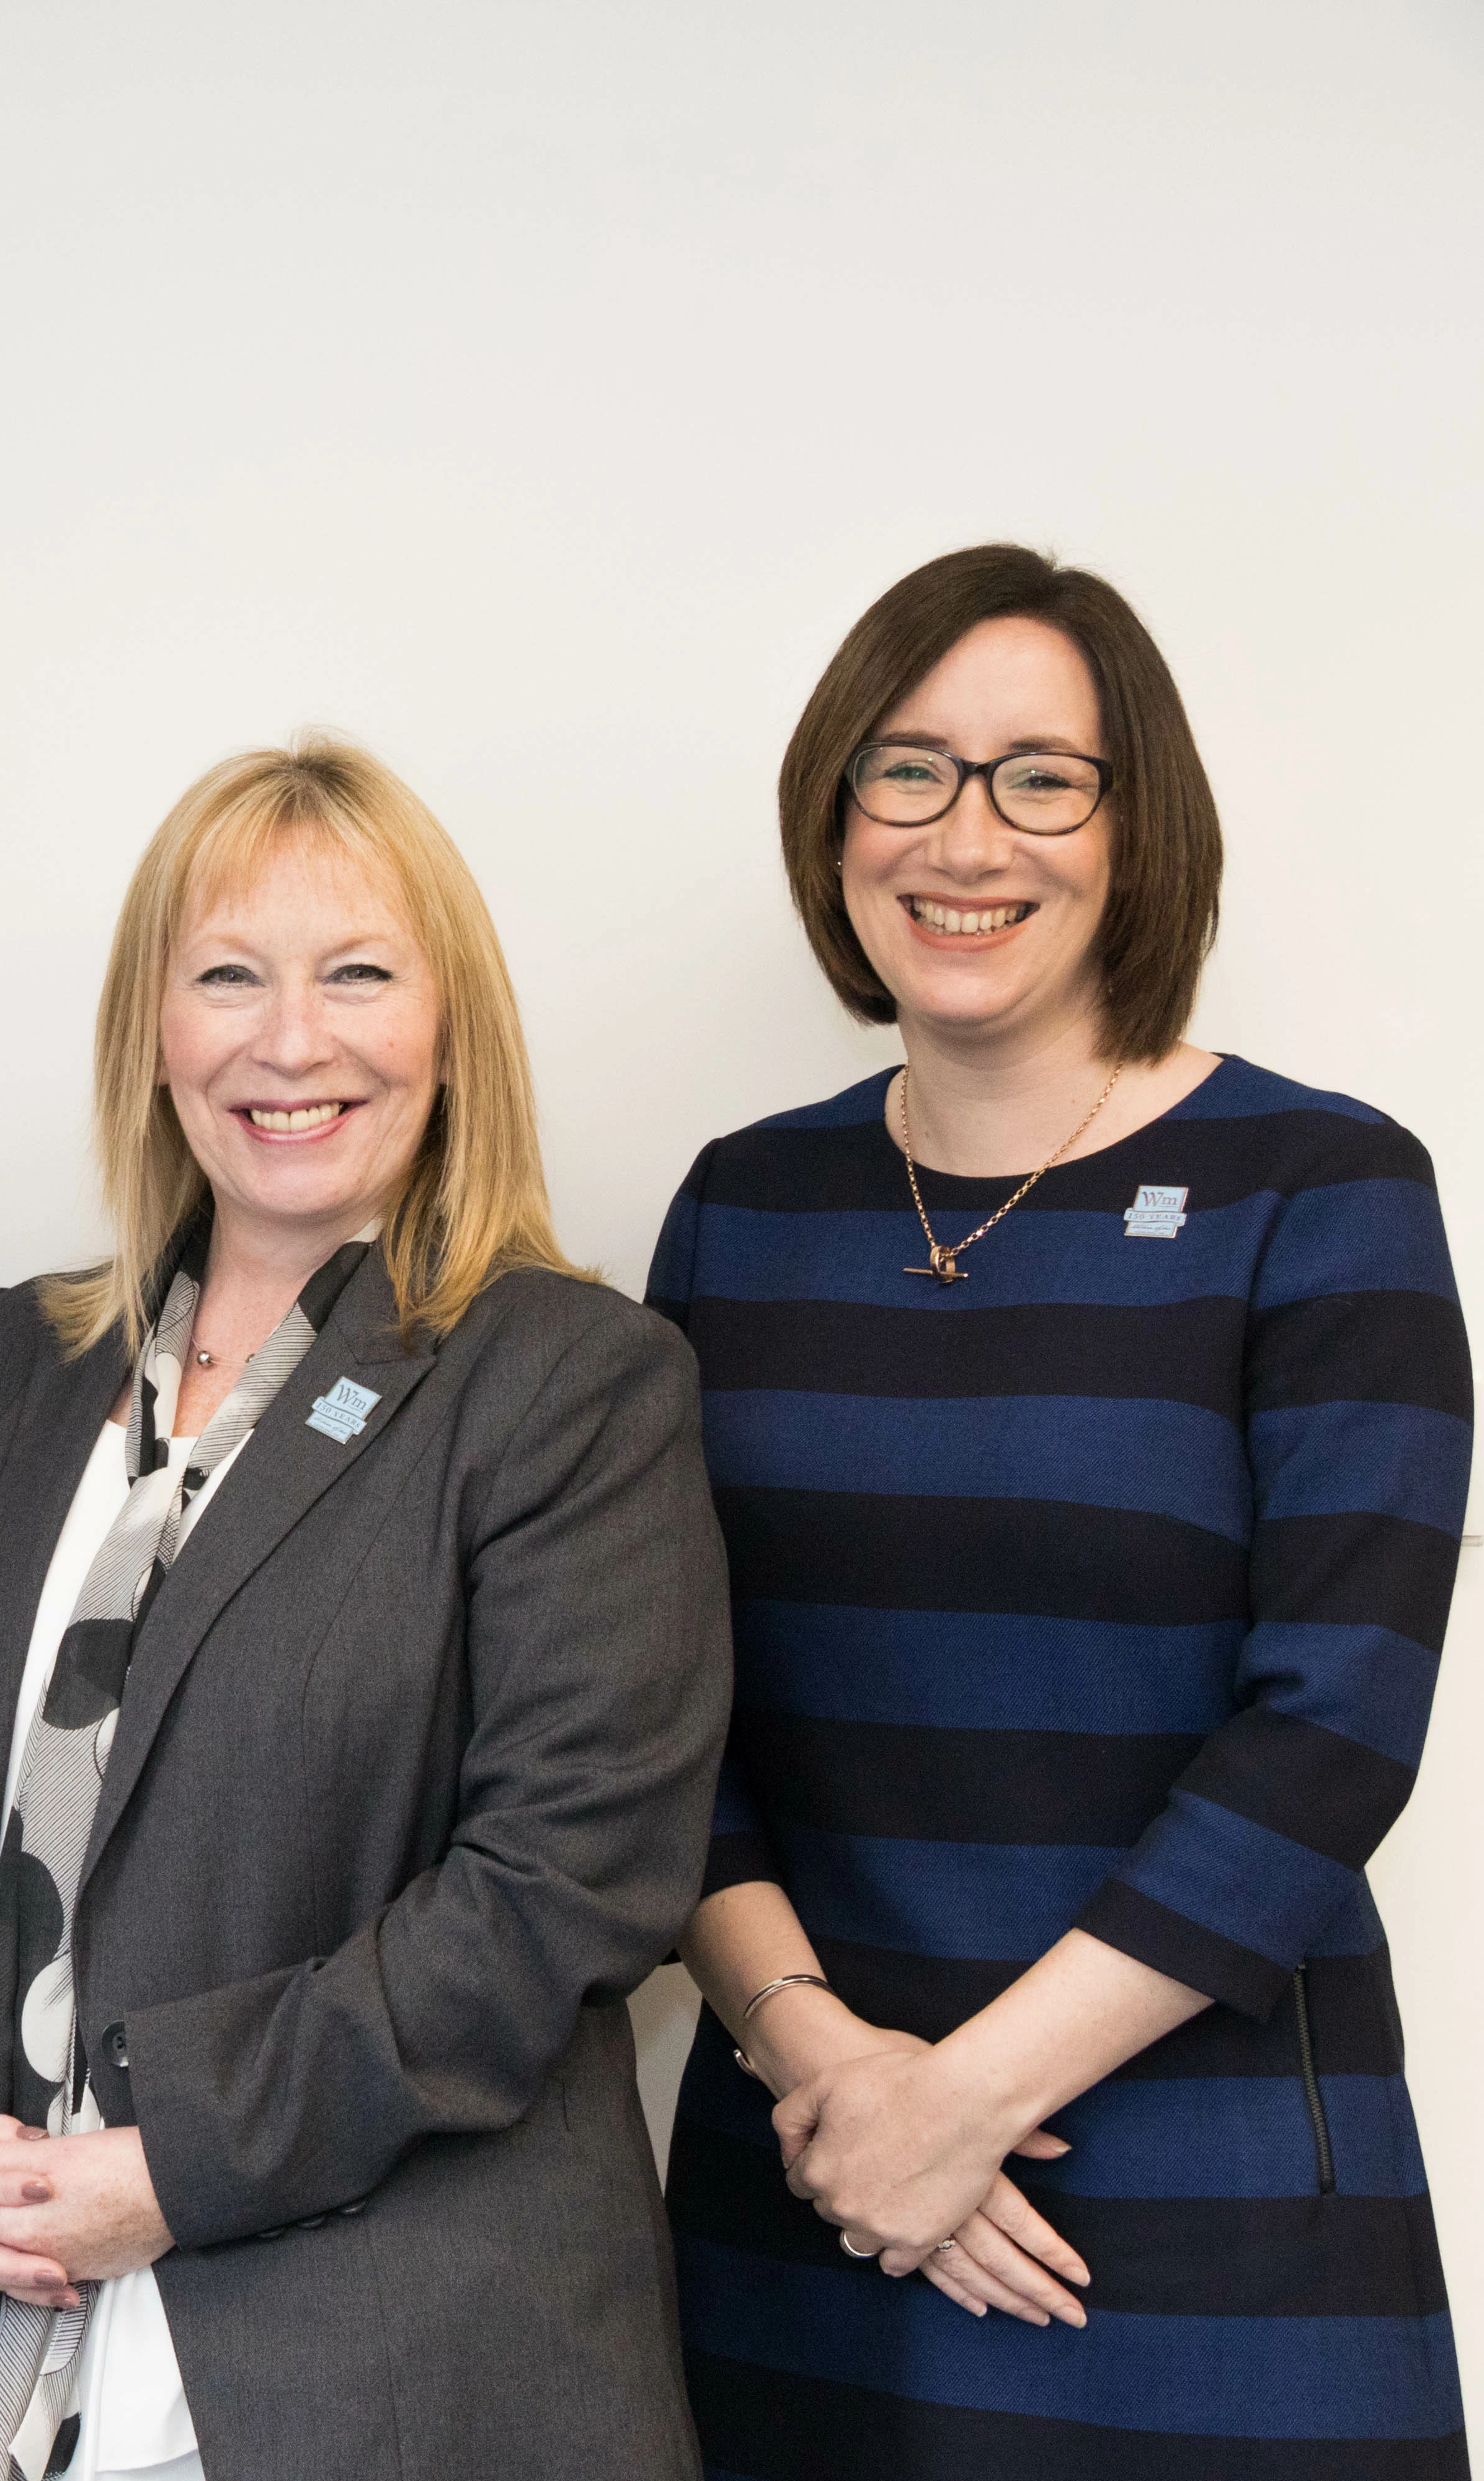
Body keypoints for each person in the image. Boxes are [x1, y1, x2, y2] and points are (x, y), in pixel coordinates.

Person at [0, 738, 729, 2480]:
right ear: (154, 1029)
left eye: (358, 973)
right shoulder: (19, 1360)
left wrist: (171, 2167)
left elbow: (563, 1891)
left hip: (379, 2387)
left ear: (453, 1024)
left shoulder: (569, 1384)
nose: (290, 1041)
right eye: (228, 975)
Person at [659, 543, 1471, 2475]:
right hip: (809, 2193)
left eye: (1042, 774)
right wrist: (834, 2075)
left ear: (1137, 829)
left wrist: (963, 2105)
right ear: (835, 816)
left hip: (1209, 2236)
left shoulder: (1324, 1193)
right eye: (910, 768)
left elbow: (1336, 1732)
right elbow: (646, 1711)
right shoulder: (742, 1214)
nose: (969, 833)